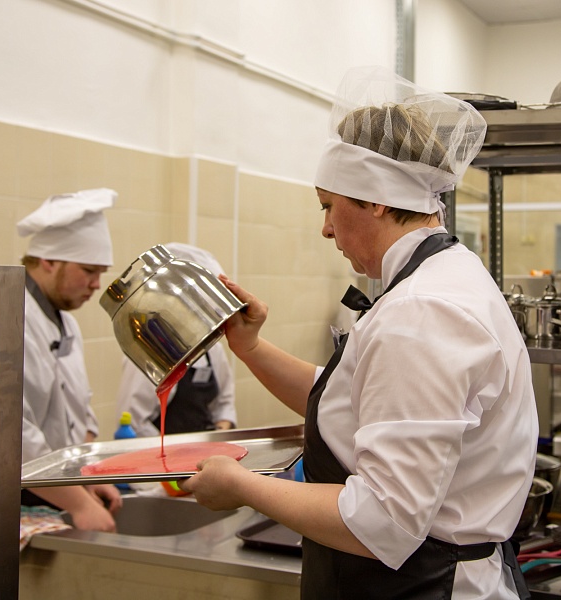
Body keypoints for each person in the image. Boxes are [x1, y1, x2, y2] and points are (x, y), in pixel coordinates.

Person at [181, 66, 538, 598]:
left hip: (426, 587)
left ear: (375, 200)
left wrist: (242, 486)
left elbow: (383, 520)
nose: (325, 228)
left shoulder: (421, 313)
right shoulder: (441, 278)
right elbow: (354, 400)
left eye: (329, 205)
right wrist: (249, 346)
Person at [18, 188, 123, 532]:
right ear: (49, 260)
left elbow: (80, 410)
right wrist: (78, 502)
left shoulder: (67, 324)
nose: (96, 284)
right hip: (21, 496)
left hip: (60, 487)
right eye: (89, 270)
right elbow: (14, 433)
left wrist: (88, 476)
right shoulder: (11, 318)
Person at [116, 242, 237, 436]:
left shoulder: (213, 349)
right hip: (163, 451)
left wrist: (218, 433)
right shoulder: (148, 349)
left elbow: (224, 404)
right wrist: (177, 450)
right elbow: (135, 423)